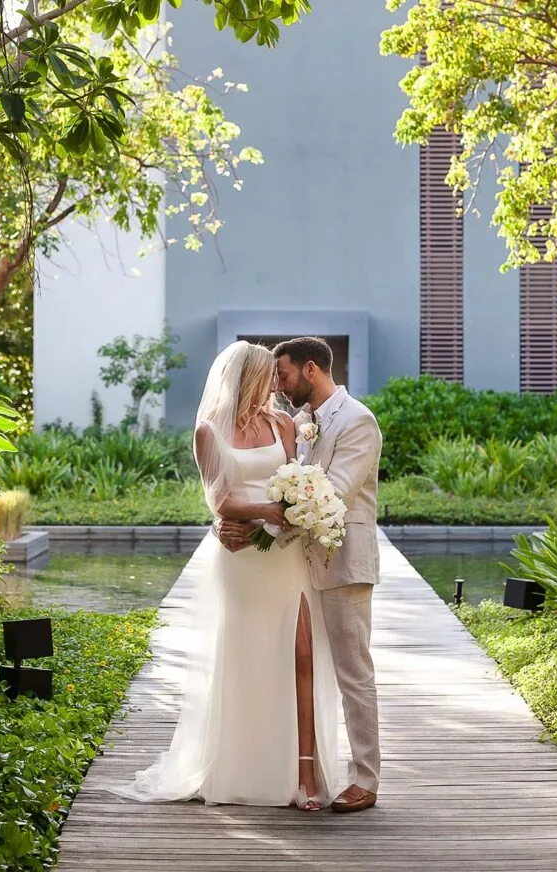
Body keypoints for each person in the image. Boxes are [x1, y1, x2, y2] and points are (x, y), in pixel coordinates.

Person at [109, 340, 338, 810]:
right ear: (247, 377)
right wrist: (268, 511)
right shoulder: (208, 431)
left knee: (301, 652)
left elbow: (299, 476)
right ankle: (243, 766)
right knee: (246, 657)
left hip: (284, 555)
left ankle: (306, 774)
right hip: (242, 559)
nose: (276, 383)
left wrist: (293, 512)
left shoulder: (282, 424)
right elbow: (219, 500)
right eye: (267, 376)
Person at [218, 336, 382, 813]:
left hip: (343, 561)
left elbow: (328, 494)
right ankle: (298, 769)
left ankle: (366, 781)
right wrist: (234, 524)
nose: (279, 387)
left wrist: (256, 531)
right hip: (298, 563)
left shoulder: (357, 421)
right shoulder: (304, 423)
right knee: (303, 667)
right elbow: (283, 484)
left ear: (311, 370)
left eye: (284, 376)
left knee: (353, 672)